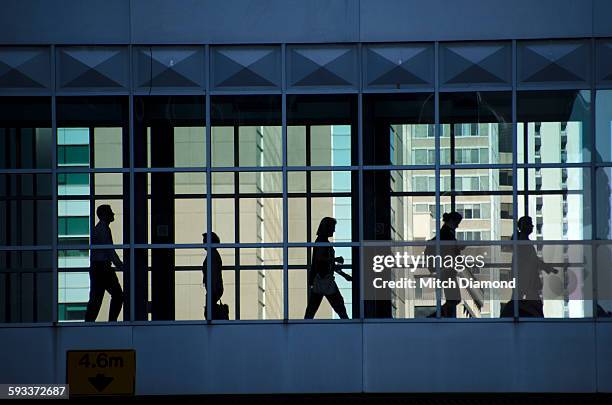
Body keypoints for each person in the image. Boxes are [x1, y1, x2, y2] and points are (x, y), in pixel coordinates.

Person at [304, 217, 352, 319]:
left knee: (312, 308)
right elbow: (320, 259)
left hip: (322, 280)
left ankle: (304, 327)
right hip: (323, 280)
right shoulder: (322, 242)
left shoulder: (322, 242)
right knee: (339, 305)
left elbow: (327, 263)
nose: (334, 230)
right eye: (332, 227)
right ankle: (348, 326)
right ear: (327, 228)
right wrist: (335, 259)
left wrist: (344, 275)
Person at [85, 205, 124, 322]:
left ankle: (88, 324)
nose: (113, 214)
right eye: (110, 212)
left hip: (99, 268)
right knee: (117, 295)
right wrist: (119, 264)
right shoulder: (103, 229)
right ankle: (111, 322)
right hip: (102, 268)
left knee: (96, 299)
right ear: (103, 215)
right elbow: (109, 250)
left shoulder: (100, 228)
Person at [514, 216, 558, 317]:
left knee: (534, 305)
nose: (533, 226)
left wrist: (548, 268)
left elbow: (534, 261)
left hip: (527, 283)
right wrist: (548, 268)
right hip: (527, 283)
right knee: (535, 306)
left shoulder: (524, 242)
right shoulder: (523, 243)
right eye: (530, 223)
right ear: (524, 226)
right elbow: (533, 261)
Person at [439, 211, 463, 318]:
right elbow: (448, 249)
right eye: (457, 222)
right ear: (451, 221)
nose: (457, 225)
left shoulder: (446, 232)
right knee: (454, 298)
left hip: (447, 269)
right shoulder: (445, 233)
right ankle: (441, 314)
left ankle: (443, 314)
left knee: (454, 298)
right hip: (446, 269)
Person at [202, 232, 226, 319]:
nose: (203, 243)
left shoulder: (213, 255)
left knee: (210, 312)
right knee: (210, 311)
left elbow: (214, 273)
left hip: (214, 288)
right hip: (213, 287)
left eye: (204, 241)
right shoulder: (212, 254)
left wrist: (214, 289)